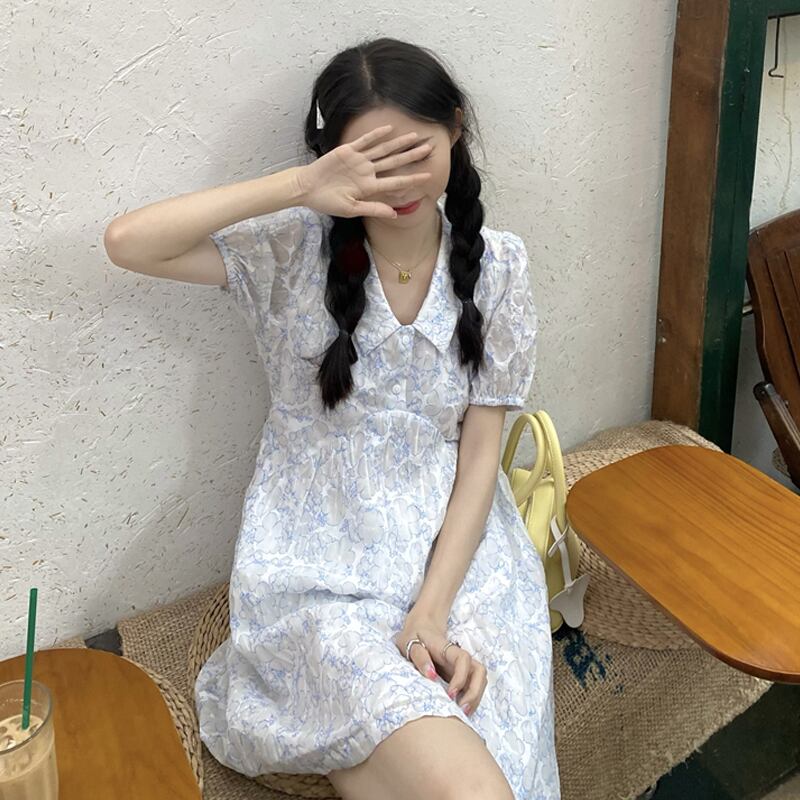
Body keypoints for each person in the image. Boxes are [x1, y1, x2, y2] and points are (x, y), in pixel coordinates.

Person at [104, 35, 559, 800]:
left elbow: (482, 455)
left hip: (462, 566)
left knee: (484, 770)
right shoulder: (292, 254)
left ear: (455, 127)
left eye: (414, 153)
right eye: (371, 163)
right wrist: (301, 187)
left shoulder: (500, 266)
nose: (398, 183)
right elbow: (128, 243)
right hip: (320, 568)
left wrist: (432, 611)